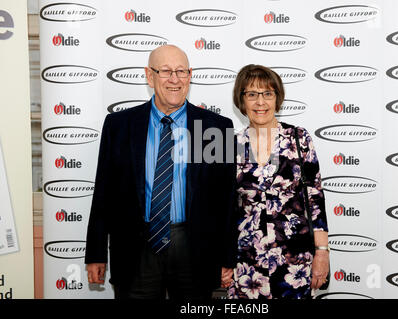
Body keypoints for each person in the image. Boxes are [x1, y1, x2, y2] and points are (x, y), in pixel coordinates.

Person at [85, 45, 236, 299]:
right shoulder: (119, 126)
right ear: (149, 75)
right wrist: (96, 253)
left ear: (190, 75)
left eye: (181, 71)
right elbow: (104, 193)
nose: (175, 79)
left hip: (194, 249)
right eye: (166, 71)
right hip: (135, 249)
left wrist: (227, 256)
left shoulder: (216, 128)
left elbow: (227, 200)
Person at [225, 64, 329, 299]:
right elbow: (224, 210)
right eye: (251, 94)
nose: (260, 102)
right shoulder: (230, 145)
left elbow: (315, 199)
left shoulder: (299, 138)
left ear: (277, 98)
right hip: (246, 264)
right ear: (241, 101)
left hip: (295, 262)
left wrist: (322, 252)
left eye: (267, 94)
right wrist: (224, 260)